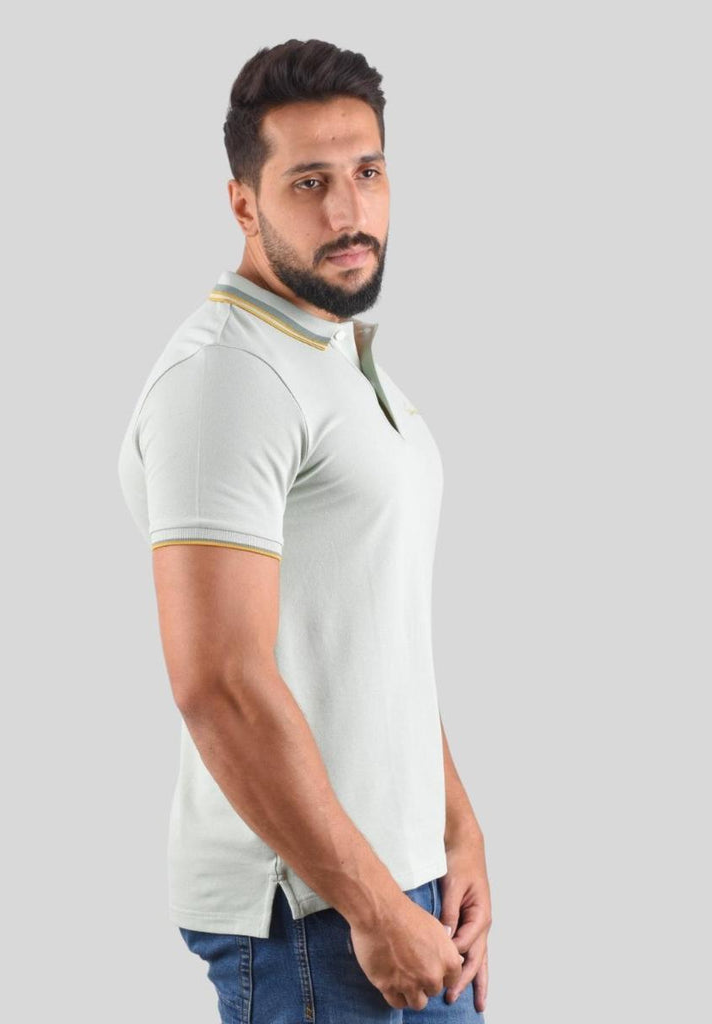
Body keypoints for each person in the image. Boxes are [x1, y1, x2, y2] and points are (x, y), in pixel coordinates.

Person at [117, 37, 490, 1021]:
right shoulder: (227, 378)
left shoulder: (331, 354)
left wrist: (456, 829)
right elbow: (219, 681)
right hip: (317, 914)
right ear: (244, 204)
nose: (347, 213)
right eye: (309, 182)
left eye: (367, 173)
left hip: (398, 885)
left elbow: (369, 639)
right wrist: (371, 904)